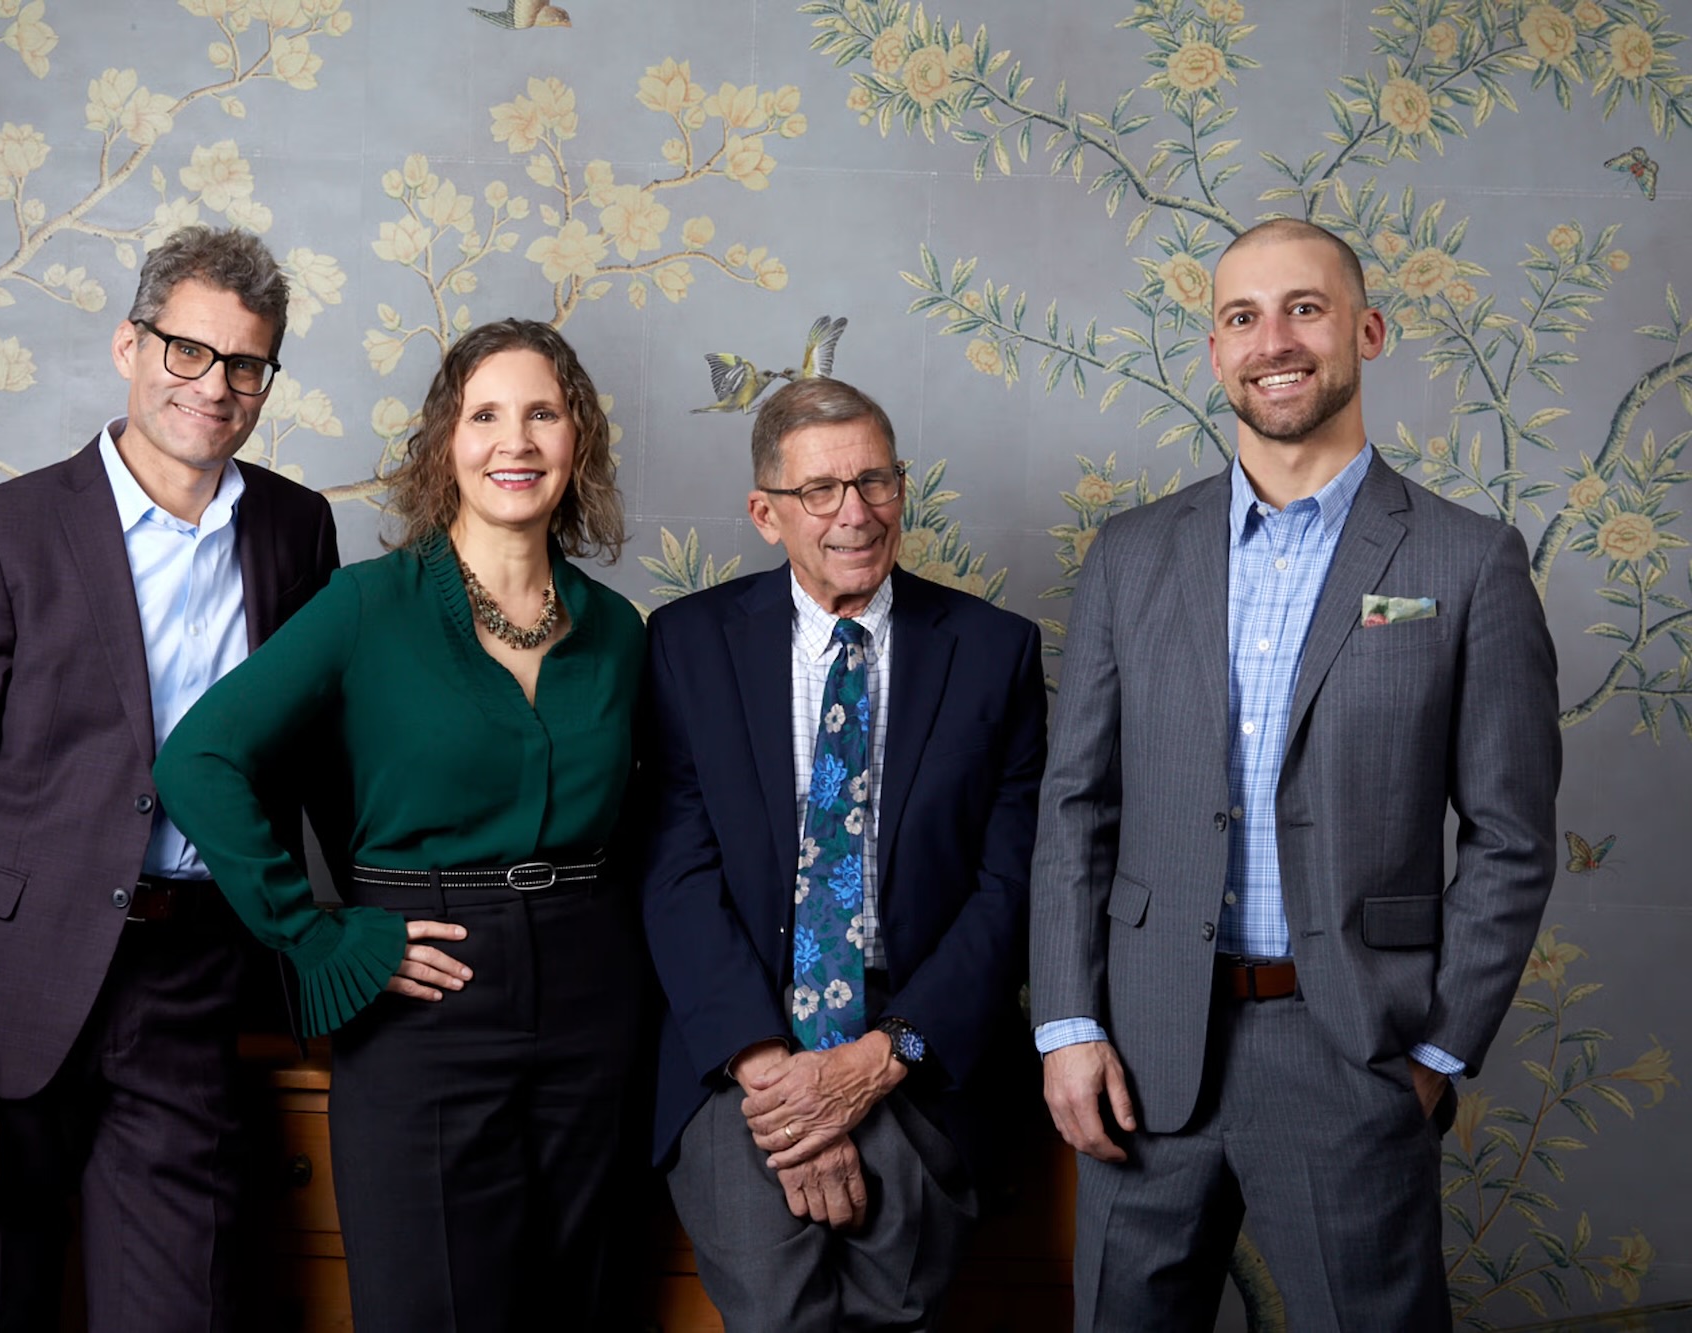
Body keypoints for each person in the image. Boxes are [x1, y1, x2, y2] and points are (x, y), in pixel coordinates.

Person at [1030, 217, 1562, 1330]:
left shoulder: (1466, 561)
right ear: (1215, 353)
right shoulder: (1131, 554)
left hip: (1350, 1054)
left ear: (1363, 329)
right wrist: (1068, 1027)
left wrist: (1431, 1051)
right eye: (1241, 316)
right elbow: (1075, 805)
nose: (1272, 339)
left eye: (1303, 308)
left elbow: (1510, 834)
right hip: (1141, 1058)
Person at [0, 225, 342, 1332]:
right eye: (186, 350)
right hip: (6, 996)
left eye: (244, 364)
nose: (213, 386)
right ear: (129, 345)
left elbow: (324, 761)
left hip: (193, 982)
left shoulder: (293, 531)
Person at [152, 318, 646, 1331]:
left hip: (595, 1003)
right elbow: (195, 762)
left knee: (585, 1307)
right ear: (444, 442)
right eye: (485, 415)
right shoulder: (366, 607)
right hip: (425, 1000)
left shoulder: (619, 631)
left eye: (542, 413)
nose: (515, 441)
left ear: (577, 440)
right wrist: (322, 935)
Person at [639, 376, 1047, 1329]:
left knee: (895, 1310)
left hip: (916, 1048)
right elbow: (675, 872)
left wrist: (880, 1057)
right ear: (765, 513)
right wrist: (776, 1072)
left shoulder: (994, 651)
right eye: (819, 491)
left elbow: (1010, 886)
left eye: (876, 482)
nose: (854, 515)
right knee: (778, 1313)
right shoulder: (688, 645)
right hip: (740, 1050)